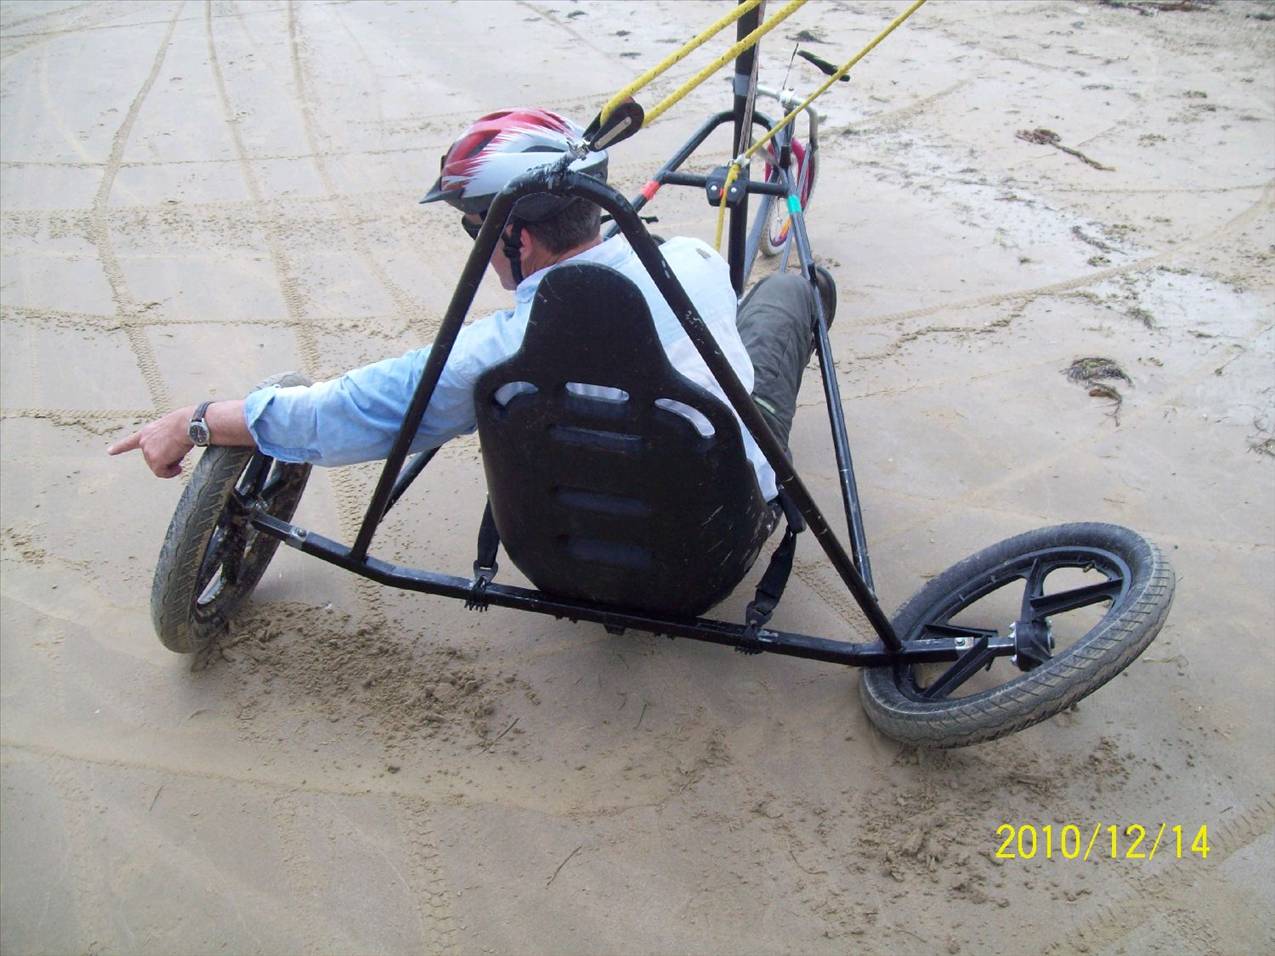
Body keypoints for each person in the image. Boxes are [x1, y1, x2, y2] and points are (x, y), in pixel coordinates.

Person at [109, 107, 833, 513]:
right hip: (719, 536)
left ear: (518, 238)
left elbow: (341, 412)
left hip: (565, 551)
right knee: (787, 294)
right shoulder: (695, 263)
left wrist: (195, 421)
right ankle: (814, 294)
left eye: (474, 228)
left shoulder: (498, 354)